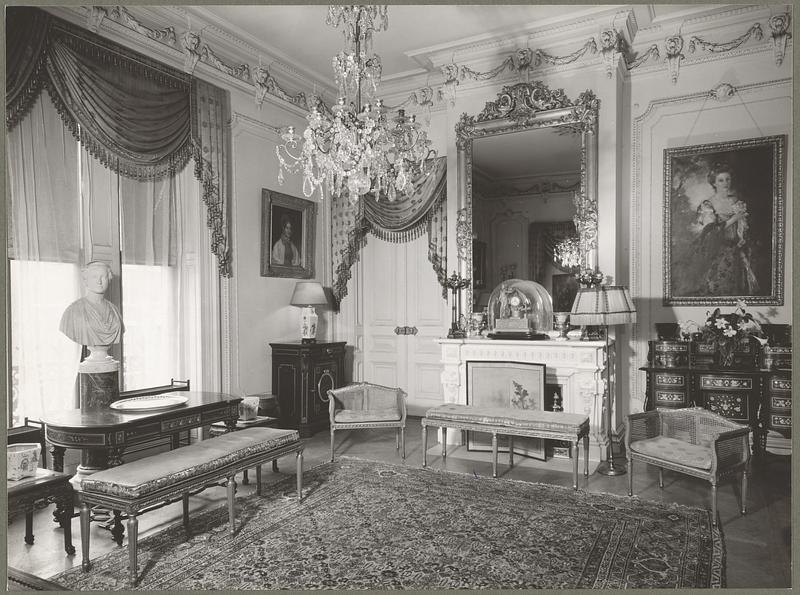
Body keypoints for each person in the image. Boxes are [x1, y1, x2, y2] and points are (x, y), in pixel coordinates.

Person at [700, 163, 759, 295]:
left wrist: (742, 236)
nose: (725, 183)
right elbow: (712, 231)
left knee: (739, 284)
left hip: (737, 247)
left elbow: (743, 224)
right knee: (721, 284)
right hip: (719, 249)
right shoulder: (709, 203)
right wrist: (734, 218)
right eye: (721, 180)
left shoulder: (736, 200)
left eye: (728, 179)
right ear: (714, 183)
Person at [59, 261, 124, 350]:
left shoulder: (114, 311)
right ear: (86, 280)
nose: (99, 281)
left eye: (103, 277)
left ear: (109, 279)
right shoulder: (73, 311)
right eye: (94, 277)